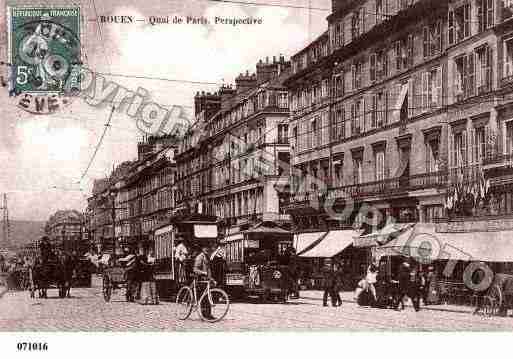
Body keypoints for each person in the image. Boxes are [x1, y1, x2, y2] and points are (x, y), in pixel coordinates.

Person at [193, 243, 215, 320]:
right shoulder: (200, 257)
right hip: (200, 280)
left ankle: (208, 314)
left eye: (208, 248)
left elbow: (208, 270)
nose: (207, 249)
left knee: (208, 297)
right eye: (205, 247)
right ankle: (204, 315)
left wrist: (211, 279)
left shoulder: (207, 257)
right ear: (202, 249)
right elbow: (195, 269)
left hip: (206, 281)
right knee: (204, 298)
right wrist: (203, 273)